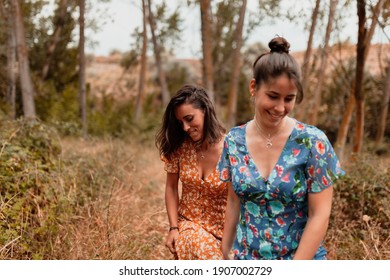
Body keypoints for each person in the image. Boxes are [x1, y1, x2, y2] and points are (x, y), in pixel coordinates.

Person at [218, 37, 345, 260]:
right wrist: (226, 251)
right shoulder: (234, 141)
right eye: (273, 96)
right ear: (253, 87)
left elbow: (320, 214)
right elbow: (233, 201)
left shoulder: (312, 142)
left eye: (289, 99)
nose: (280, 107)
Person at [155, 84, 228, 260]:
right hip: (188, 226)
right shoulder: (179, 148)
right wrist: (173, 228)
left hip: (225, 232)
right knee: (199, 246)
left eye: (189, 118)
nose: (185, 127)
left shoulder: (231, 149)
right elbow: (171, 188)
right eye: (181, 122)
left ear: (205, 110)